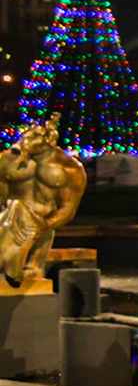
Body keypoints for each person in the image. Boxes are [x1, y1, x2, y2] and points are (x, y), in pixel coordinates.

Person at [0, 114, 86, 286]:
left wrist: (45, 224)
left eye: (34, 136)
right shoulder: (7, 161)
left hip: (40, 227)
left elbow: (68, 209)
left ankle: (19, 265)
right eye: (26, 135)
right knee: (16, 208)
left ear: (50, 139)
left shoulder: (69, 168)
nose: (25, 140)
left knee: (22, 214)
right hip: (6, 221)